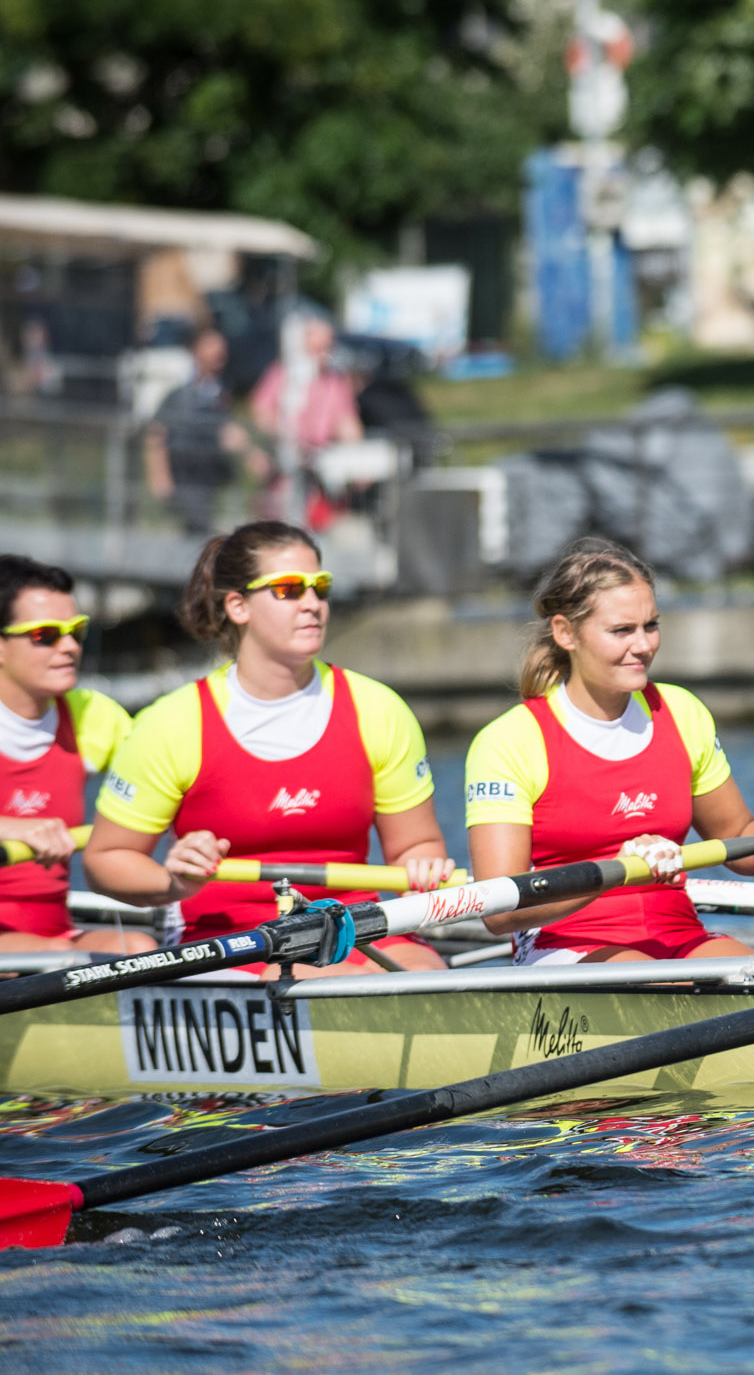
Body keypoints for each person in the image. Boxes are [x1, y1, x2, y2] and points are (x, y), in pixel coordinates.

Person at [85, 523, 453, 974]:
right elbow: (105, 862)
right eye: (289, 590)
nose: (313, 604)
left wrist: (422, 866)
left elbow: (416, 844)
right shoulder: (173, 723)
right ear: (237, 606)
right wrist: (174, 880)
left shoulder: (378, 709)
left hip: (353, 926)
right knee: (336, 980)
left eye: (320, 587)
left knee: (424, 971)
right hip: (227, 937)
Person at [464, 539, 754, 964]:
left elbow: (738, 836)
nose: (644, 645)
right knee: (649, 982)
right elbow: (498, 911)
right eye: (622, 631)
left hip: (676, 930)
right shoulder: (510, 740)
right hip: (563, 939)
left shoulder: (681, 712)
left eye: (651, 625)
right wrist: (616, 869)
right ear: (565, 632)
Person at [0, 556, 152, 954]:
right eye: (45, 635)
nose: (69, 646)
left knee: (138, 947)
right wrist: (8, 828)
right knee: (62, 959)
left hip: (54, 936)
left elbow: (174, 779)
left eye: (76, 631)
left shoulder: (90, 715)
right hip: (32, 952)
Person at [145, 328, 261, 535]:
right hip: (185, 472)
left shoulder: (221, 394)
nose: (219, 354)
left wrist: (249, 454)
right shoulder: (179, 394)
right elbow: (157, 432)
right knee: (195, 528)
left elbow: (228, 432)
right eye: (211, 347)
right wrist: (160, 475)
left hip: (208, 475)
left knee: (201, 528)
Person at [250, 312, 361, 527]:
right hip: (284, 467)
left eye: (328, 347)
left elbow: (347, 422)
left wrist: (356, 456)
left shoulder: (335, 381)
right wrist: (285, 435)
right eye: (318, 348)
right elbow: (261, 413)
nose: (324, 354)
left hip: (319, 469)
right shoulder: (281, 374)